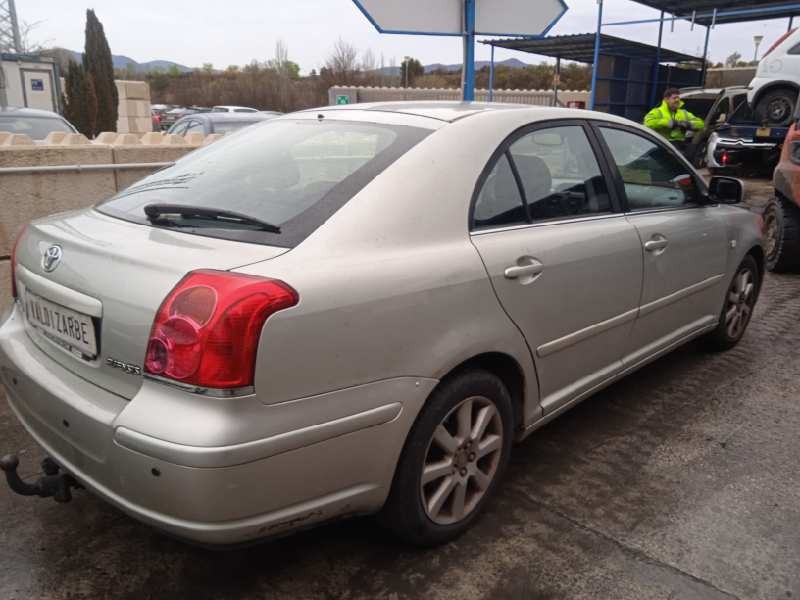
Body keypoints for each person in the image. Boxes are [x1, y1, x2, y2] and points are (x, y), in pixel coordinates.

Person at [644, 88, 704, 155]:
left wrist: (688, 124)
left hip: (679, 148)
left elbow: (701, 124)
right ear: (666, 99)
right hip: (661, 146)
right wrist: (668, 123)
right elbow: (647, 123)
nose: (677, 100)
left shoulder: (684, 113)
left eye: (678, 98)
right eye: (674, 98)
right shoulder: (657, 111)